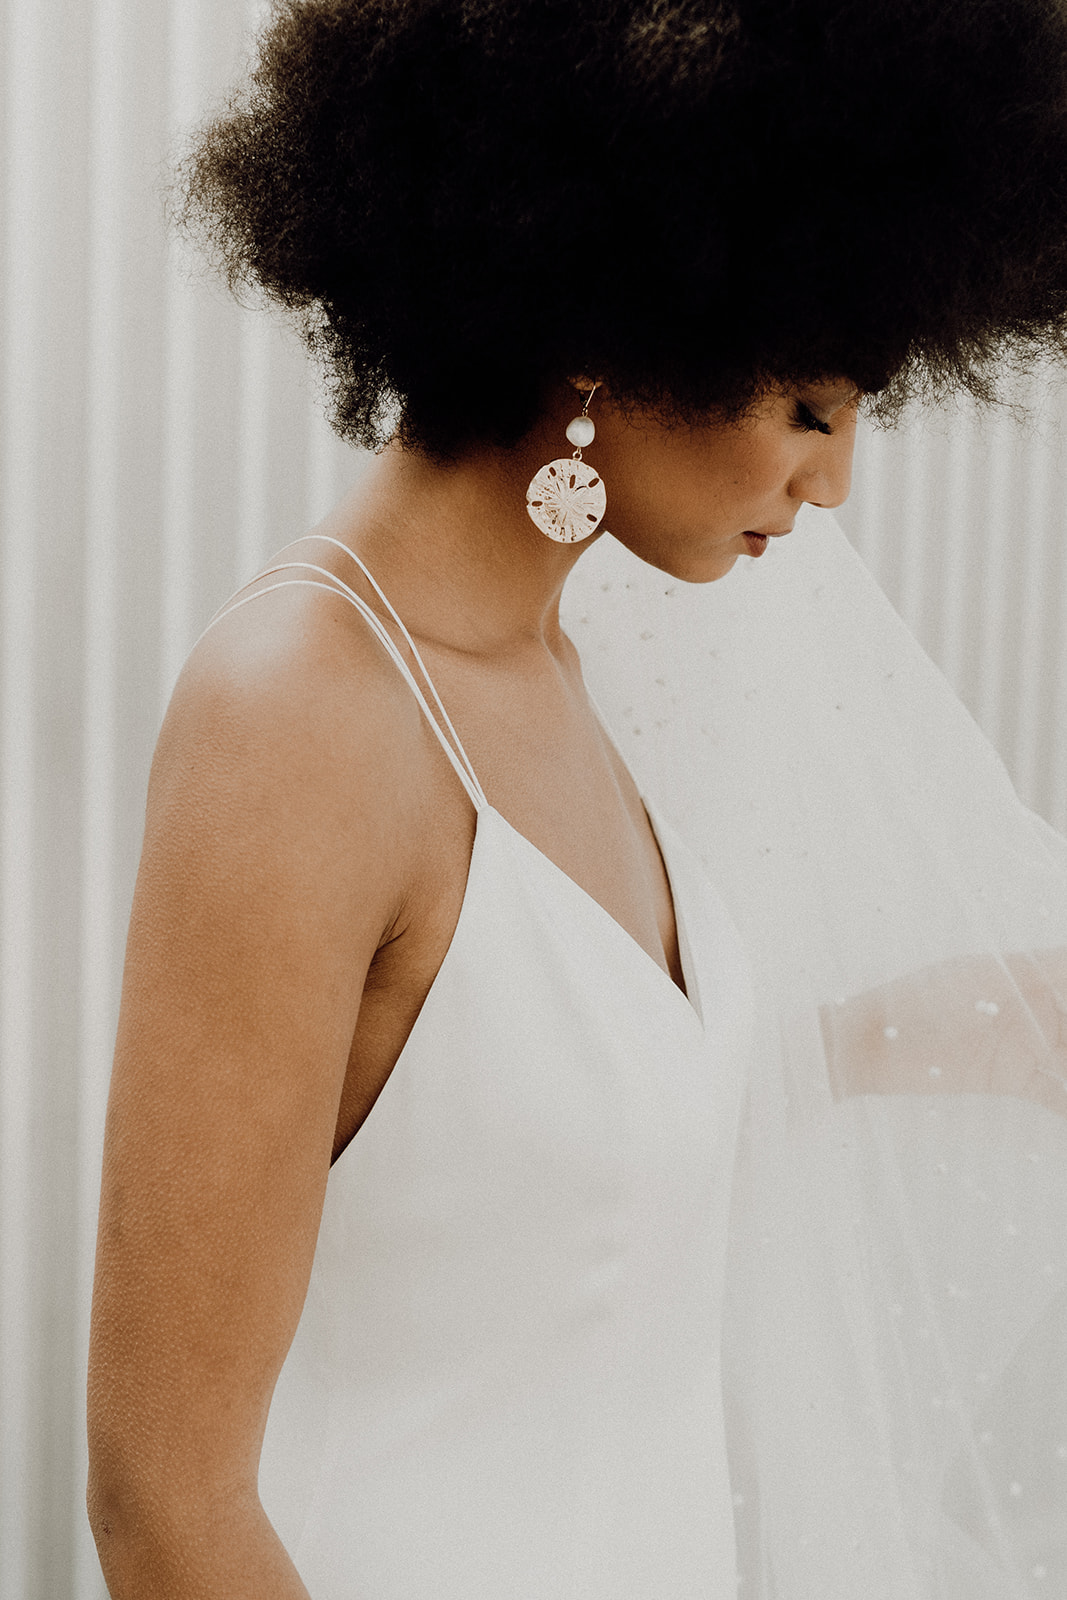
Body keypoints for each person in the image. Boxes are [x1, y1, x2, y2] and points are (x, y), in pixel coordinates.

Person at [86, 1, 1067, 1595]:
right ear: (622, 319)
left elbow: (524, 1147)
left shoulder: (570, 664)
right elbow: (163, 1502)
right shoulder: (302, 715)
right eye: (811, 409)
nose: (835, 482)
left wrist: (918, 1028)